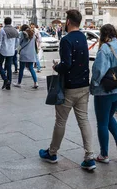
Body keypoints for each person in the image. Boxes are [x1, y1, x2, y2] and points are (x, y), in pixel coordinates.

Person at [39, 10, 96, 171]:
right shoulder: (83, 38)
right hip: (84, 85)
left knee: (60, 121)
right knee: (83, 121)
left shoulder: (66, 40)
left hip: (69, 87)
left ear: (69, 21)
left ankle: (52, 153)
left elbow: (67, 64)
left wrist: (57, 66)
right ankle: (89, 157)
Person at [90, 24, 117, 163]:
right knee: (109, 116)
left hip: (106, 91)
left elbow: (99, 70)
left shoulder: (105, 49)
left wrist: (93, 85)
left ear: (103, 35)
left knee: (102, 122)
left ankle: (104, 154)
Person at [0, 17, 18, 90]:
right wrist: (14, 48)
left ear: (4, 22)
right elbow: (17, 42)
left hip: (3, 51)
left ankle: (5, 79)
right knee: (9, 68)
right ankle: (9, 84)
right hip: (11, 52)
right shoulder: (15, 30)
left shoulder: (2, 30)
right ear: (11, 22)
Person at [15, 24, 38, 89]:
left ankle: (19, 83)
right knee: (31, 68)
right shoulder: (33, 34)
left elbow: (18, 43)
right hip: (31, 54)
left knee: (21, 69)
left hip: (24, 53)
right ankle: (36, 82)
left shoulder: (22, 33)